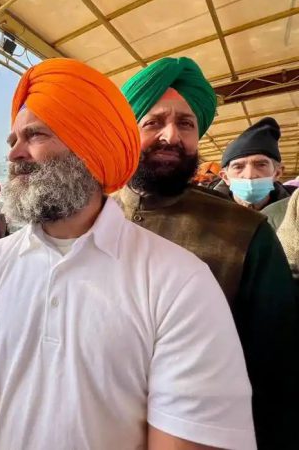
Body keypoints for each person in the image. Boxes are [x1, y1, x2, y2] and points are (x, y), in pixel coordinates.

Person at [0, 59, 254, 450]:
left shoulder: (180, 281)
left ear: (90, 148)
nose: (15, 154)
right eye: (13, 141)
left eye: (35, 135)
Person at [116, 56, 299, 449]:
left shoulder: (246, 232)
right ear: (126, 133)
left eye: (186, 124)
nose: (171, 136)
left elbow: (276, 373)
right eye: (153, 122)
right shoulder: (91, 216)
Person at [212, 117, 290, 210]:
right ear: (225, 177)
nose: (249, 175)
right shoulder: (205, 209)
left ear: (277, 173)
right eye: (238, 167)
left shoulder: (295, 209)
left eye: (261, 165)